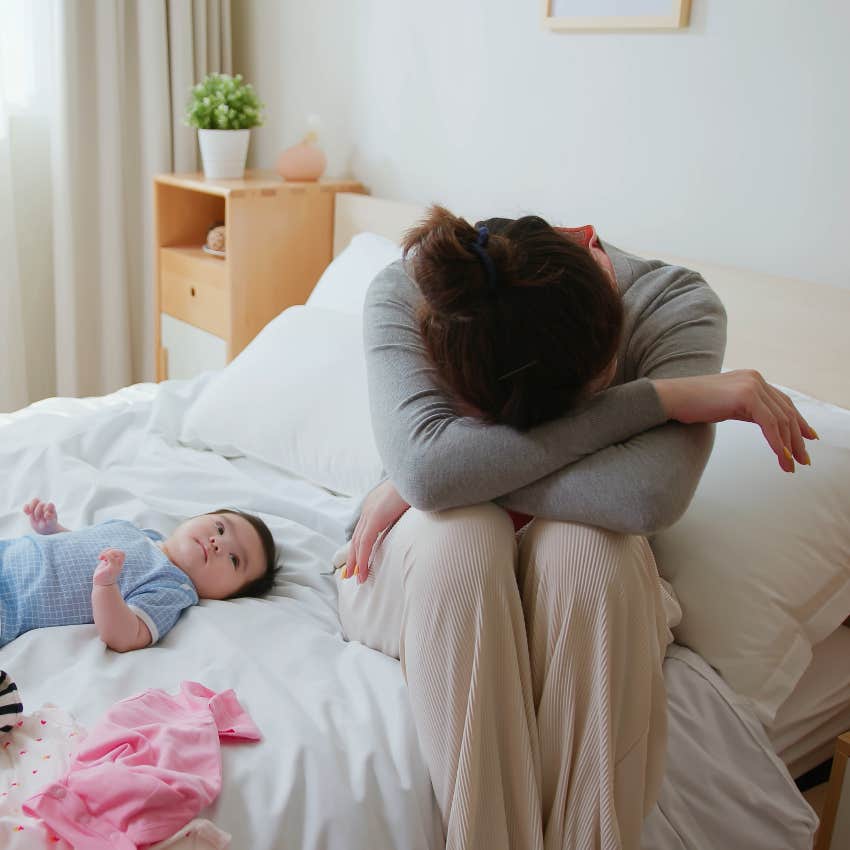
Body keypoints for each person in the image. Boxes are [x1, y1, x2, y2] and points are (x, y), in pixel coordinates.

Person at [334, 207, 816, 850]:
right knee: (464, 537)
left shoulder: (672, 306)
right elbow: (431, 477)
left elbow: (645, 495)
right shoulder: (420, 291)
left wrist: (451, 464)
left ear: (607, 343)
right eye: (492, 421)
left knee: (587, 550)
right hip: (416, 560)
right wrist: (660, 400)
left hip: (589, 572)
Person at [0, 498, 277, 652]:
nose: (218, 543)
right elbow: (84, 547)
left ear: (229, 595)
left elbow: (125, 635)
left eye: (234, 559)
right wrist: (53, 529)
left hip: (13, 606)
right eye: (219, 527)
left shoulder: (174, 587)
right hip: (9, 555)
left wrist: (106, 587)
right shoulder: (139, 533)